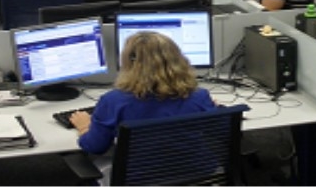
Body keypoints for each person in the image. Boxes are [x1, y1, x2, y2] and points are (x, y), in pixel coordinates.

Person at [68, 32, 216, 174]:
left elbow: (95, 147)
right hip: (200, 176)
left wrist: (84, 127)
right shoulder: (199, 96)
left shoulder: (114, 101)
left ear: (129, 63)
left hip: (139, 179)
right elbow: (218, 131)